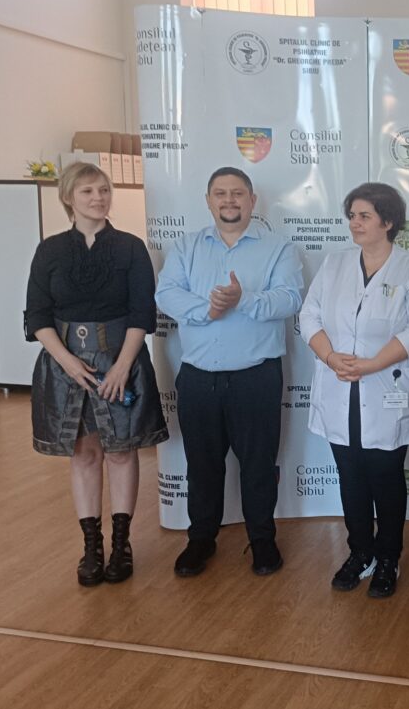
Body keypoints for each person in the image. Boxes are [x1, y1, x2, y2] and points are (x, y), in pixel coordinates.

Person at [155, 166, 304, 578]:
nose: (229, 200)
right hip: (198, 377)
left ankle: (263, 540)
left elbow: (290, 298)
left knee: (258, 465)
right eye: (220, 193)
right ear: (208, 201)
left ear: (252, 201)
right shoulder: (186, 246)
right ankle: (201, 540)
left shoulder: (279, 248)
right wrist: (208, 309)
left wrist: (243, 299)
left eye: (237, 193)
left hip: (256, 377)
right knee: (202, 466)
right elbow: (165, 293)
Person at [26, 162, 168, 586]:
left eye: (103, 190)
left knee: (121, 451)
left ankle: (122, 545)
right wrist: (68, 362)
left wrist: (123, 365)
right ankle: (92, 547)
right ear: (69, 197)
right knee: (84, 453)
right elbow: (38, 317)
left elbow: (142, 313)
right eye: (88, 191)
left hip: (121, 360)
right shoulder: (49, 250)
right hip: (65, 365)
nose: (98, 198)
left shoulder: (130, 248)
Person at [299, 183, 409, 598]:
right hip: (340, 387)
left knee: (386, 479)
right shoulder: (335, 263)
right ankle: (360, 553)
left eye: (364, 216)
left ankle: (388, 557)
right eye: (352, 216)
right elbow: (309, 315)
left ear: (388, 222)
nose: (355, 223)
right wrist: (329, 356)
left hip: (386, 387)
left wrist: (374, 363)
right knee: (351, 477)